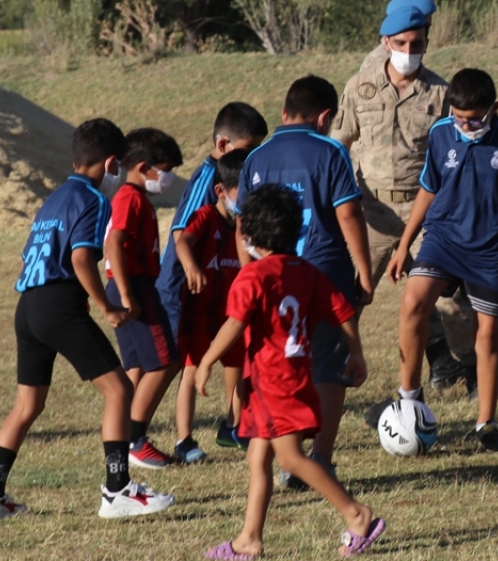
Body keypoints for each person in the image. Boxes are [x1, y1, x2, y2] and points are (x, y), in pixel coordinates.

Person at [0, 119, 173, 520]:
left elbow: (29, 255)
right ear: (113, 163)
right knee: (119, 390)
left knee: (27, 405)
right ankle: (118, 491)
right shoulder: (95, 200)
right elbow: (81, 258)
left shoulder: (55, 196)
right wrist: (106, 306)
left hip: (28, 306)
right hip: (59, 304)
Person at [197, 185, 384, 559]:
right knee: (257, 457)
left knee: (291, 458)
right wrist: (356, 353)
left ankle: (357, 514)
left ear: (248, 234)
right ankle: (249, 539)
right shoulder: (306, 271)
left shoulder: (252, 277)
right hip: (292, 376)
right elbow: (343, 310)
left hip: (272, 382)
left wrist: (205, 362)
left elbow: (234, 325)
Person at [386, 68, 498, 451]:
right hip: (443, 238)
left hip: (490, 250)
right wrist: (404, 244)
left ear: (494, 108)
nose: (466, 126)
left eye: (476, 119)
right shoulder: (441, 133)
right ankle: (409, 400)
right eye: (460, 118)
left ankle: (486, 425)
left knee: (488, 334)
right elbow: (429, 188)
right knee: (413, 304)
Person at [331, 1, 478, 425]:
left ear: (427, 43)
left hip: (426, 210)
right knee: (348, 299)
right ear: (385, 42)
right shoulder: (360, 87)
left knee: (451, 303)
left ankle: (469, 371)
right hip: (371, 211)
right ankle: (333, 376)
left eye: (416, 43)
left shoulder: (440, 94)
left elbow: (455, 154)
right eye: (400, 43)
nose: (408, 50)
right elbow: (338, 144)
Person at [235, 75, 373, 485]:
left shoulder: (256, 158)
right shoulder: (330, 150)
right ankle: (320, 459)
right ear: (325, 116)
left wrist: (250, 271)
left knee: (280, 362)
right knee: (328, 367)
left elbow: (242, 222)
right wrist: (363, 271)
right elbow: (348, 213)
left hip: (270, 277)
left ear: (283, 112)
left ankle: (284, 456)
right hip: (321, 271)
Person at [156, 102, 267, 451]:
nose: (253, 158)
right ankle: (147, 434)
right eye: (248, 150)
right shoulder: (208, 180)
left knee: (236, 359)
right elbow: (180, 233)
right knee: (176, 365)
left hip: (224, 299)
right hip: (184, 292)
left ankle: (233, 425)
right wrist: (190, 269)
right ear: (222, 146)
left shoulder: (240, 194)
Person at [104, 128, 184, 468]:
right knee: (165, 360)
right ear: (141, 166)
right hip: (133, 285)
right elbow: (114, 244)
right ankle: (136, 439)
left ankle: (121, 437)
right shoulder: (130, 198)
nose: (167, 177)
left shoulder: (137, 198)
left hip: (133, 284)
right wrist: (125, 293)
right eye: (163, 169)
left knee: (136, 365)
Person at [173, 149, 250, 463]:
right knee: (191, 372)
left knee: (238, 367)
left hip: (229, 312)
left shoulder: (245, 224)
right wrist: (192, 267)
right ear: (221, 191)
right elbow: (181, 241)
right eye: (241, 192)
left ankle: (233, 426)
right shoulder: (205, 217)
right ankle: (184, 440)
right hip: (200, 311)